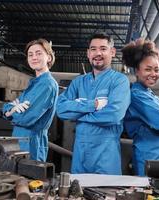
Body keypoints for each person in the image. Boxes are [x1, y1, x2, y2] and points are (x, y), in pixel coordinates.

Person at [56, 32, 131, 175]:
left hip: (106, 155)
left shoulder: (119, 81)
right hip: (80, 155)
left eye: (103, 49)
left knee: (106, 195)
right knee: (77, 194)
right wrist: (93, 105)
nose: (98, 53)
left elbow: (114, 115)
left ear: (112, 52)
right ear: (88, 53)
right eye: (93, 49)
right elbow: (60, 109)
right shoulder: (78, 82)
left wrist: (78, 115)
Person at [122, 38, 159, 176]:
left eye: (156, 69)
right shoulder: (137, 96)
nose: (153, 74)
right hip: (148, 158)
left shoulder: (149, 94)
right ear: (136, 71)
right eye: (148, 69)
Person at [2, 38, 58, 161]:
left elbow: (26, 118)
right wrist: (11, 109)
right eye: (30, 54)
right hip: (19, 140)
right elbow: (8, 107)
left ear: (48, 57)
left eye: (39, 53)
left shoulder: (47, 85)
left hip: (32, 143)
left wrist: (10, 112)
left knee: (30, 178)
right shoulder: (34, 83)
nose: (34, 57)